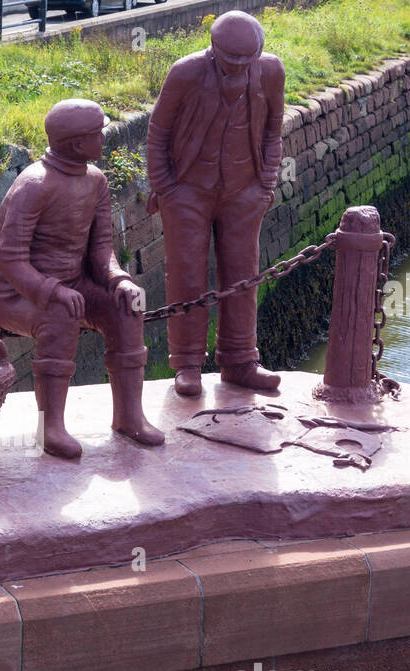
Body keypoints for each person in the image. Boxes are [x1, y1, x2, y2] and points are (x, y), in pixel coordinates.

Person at [0, 98, 164, 460]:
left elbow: (101, 249)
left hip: (72, 286)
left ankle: (129, 416)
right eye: (99, 134)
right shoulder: (34, 185)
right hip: (12, 294)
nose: (104, 140)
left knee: (128, 307)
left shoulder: (95, 181)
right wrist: (51, 291)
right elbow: (10, 259)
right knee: (59, 316)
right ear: (78, 144)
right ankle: (51, 427)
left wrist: (118, 279)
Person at [146, 9, 286, 397]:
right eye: (231, 59)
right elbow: (157, 133)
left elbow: (274, 130)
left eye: (248, 59)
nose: (240, 66)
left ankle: (240, 360)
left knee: (244, 276)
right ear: (213, 48)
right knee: (186, 276)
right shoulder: (186, 72)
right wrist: (167, 189)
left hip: (244, 190)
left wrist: (265, 184)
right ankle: (188, 364)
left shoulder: (271, 71)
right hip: (188, 190)